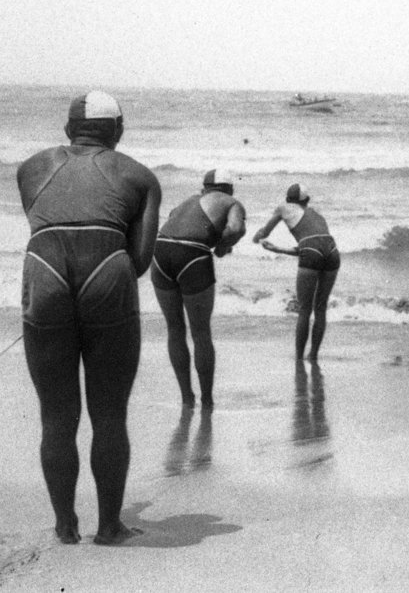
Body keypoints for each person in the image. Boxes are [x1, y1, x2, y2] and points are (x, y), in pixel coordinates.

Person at [17, 91, 161, 545]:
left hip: (45, 271)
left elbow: (48, 221)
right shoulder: (139, 176)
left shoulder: (31, 168)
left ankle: (65, 524)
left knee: (56, 416)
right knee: (109, 415)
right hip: (108, 271)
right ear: (118, 130)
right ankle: (109, 526)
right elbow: (140, 260)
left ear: (68, 129)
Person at [151, 168, 247, 409]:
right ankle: (207, 400)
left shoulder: (188, 201)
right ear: (230, 189)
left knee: (175, 329)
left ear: (204, 188)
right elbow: (236, 229)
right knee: (200, 332)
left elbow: (172, 219)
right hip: (192, 254)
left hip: (160, 251)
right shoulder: (231, 202)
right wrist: (222, 246)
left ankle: (186, 398)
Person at [253, 184, 340, 362]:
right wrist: (278, 249)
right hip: (332, 252)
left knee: (304, 310)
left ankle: (299, 358)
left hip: (311, 251)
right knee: (320, 308)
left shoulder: (283, 208)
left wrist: (256, 238)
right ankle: (313, 355)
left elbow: (265, 232)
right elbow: (312, 245)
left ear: (287, 199)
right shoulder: (317, 215)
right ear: (307, 200)